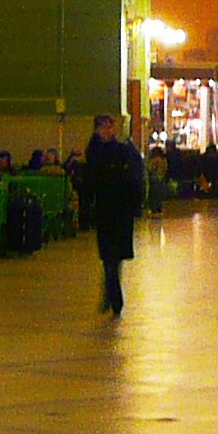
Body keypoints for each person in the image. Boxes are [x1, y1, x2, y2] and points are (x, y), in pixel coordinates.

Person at [82, 112, 148, 317]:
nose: (110, 131)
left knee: (113, 259)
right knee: (111, 258)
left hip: (118, 212)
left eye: (111, 127)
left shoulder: (117, 149)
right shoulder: (98, 152)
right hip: (108, 212)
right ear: (98, 129)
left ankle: (109, 297)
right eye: (106, 127)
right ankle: (115, 299)